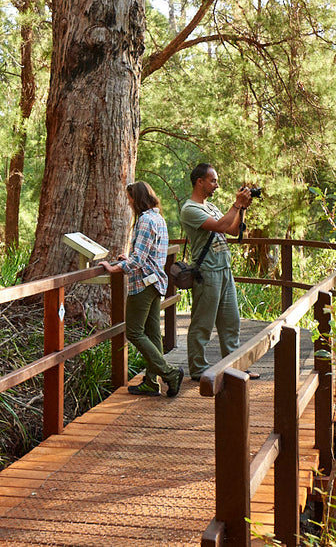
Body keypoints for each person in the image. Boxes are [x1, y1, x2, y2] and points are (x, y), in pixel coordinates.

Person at [100, 181, 184, 397]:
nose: (128, 203)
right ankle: (150, 382)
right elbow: (149, 254)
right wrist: (129, 259)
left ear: (137, 199)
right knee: (153, 334)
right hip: (156, 282)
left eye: (130, 199)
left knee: (134, 332)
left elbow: (138, 259)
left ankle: (169, 373)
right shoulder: (159, 219)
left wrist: (114, 268)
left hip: (144, 283)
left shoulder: (145, 220)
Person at [179, 163, 257, 381]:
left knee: (231, 322)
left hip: (224, 270)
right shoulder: (190, 209)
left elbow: (232, 230)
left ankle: (234, 368)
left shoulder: (211, 207)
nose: (217, 185)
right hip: (207, 272)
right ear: (199, 181)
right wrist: (236, 204)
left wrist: (242, 209)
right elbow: (220, 226)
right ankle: (198, 369)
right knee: (202, 324)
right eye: (213, 180)